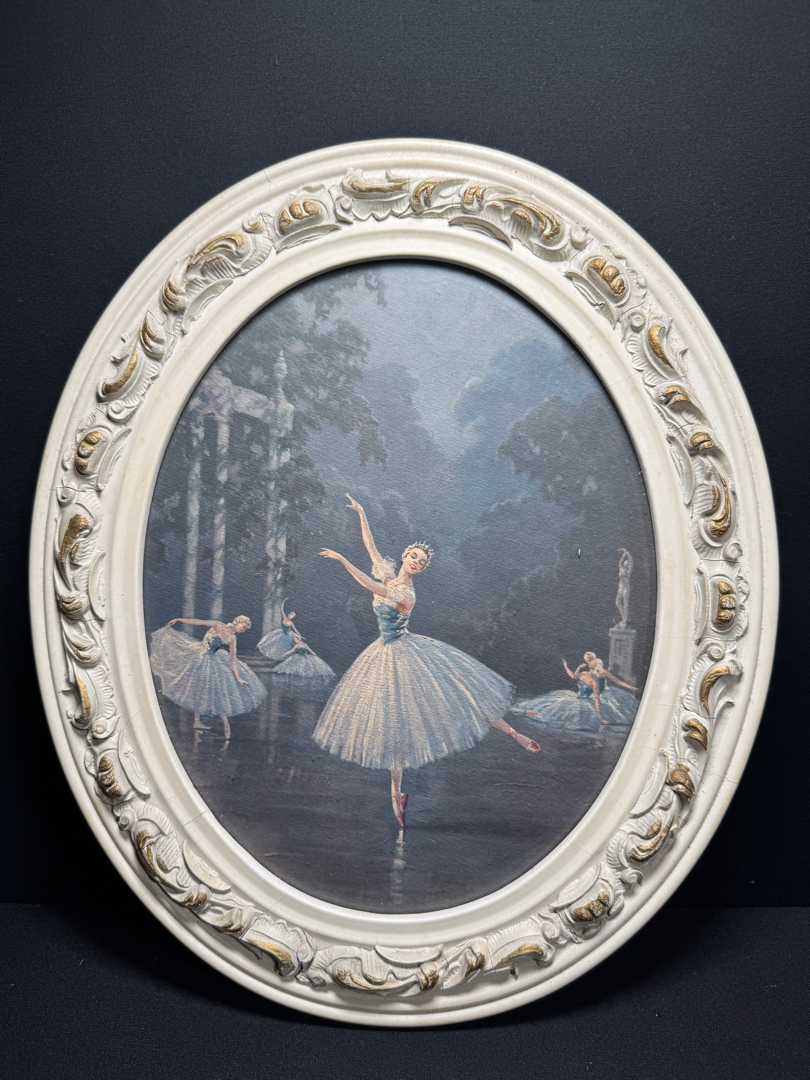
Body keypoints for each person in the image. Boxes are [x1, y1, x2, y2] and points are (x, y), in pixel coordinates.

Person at [312, 494, 539, 828]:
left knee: (460, 698)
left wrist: (342, 560)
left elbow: (367, 583)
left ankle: (514, 734)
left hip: (406, 654)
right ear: (405, 556)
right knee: (394, 725)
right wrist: (361, 513)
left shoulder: (405, 594)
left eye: (422, 561)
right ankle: (396, 795)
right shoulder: (390, 576)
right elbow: (371, 548)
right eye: (414, 556)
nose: (416, 562)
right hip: (383, 654)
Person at [150, 615, 266, 741]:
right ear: (237, 622)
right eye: (243, 627)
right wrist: (179, 620)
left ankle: (219, 723)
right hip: (200, 657)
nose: (243, 630)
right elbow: (199, 622)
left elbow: (233, 659)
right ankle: (203, 722)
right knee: (199, 688)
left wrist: (238, 678)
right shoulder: (218, 625)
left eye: (245, 629)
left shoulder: (232, 638)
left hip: (214, 660)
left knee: (214, 692)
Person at [513, 652, 638, 732]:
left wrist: (631, 688)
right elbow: (574, 677)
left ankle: (532, 713)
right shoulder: (586, 676)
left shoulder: (592, 676)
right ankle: (533, 713)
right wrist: (568, 667)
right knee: (557, 711)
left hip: (589, 699)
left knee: (560, 714)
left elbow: (603, 691)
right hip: (582, 699)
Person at [258, 601, 335, 677]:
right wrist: (283, 602)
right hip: (282, 634)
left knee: (289, 646)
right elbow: (282, 610)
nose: (291, 616)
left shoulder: (291, 624)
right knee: (276, 643)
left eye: (292, 616)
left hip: (289, 634)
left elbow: (295, 629)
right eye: (291, 615)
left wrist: (300, 636)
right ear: (289, 615)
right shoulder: (284, 618)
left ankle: (286, 663)